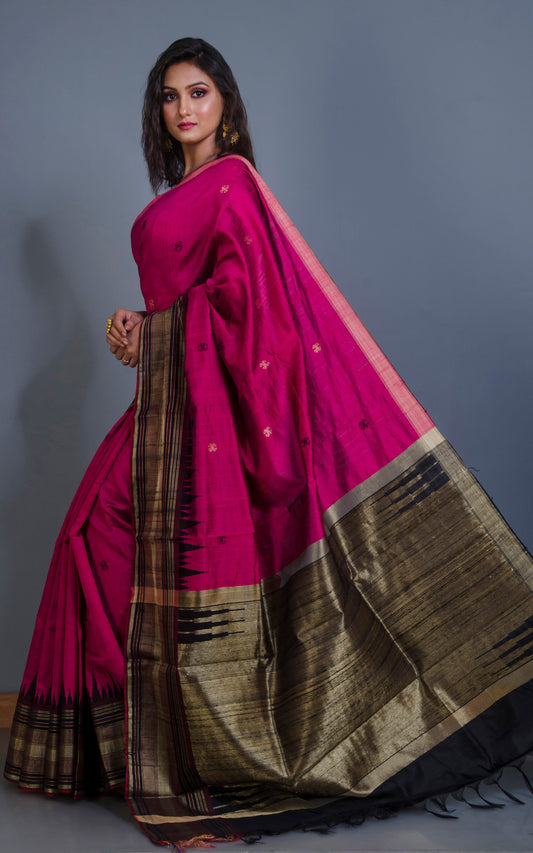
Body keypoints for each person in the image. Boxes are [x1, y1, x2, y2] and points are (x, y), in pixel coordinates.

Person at [5, 37, 533, 852]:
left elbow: (244, 305)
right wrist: (137, 331)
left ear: (225, 104)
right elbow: (180, 304)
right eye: (169, 96)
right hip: (166, 410)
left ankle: (186, 753)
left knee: (122, 542)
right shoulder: (175, 196)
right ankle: (125, 747)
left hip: (212, 421)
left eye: (198, 92)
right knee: (90, 533)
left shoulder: (235, 185)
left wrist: (157, 331)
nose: (183, 108)